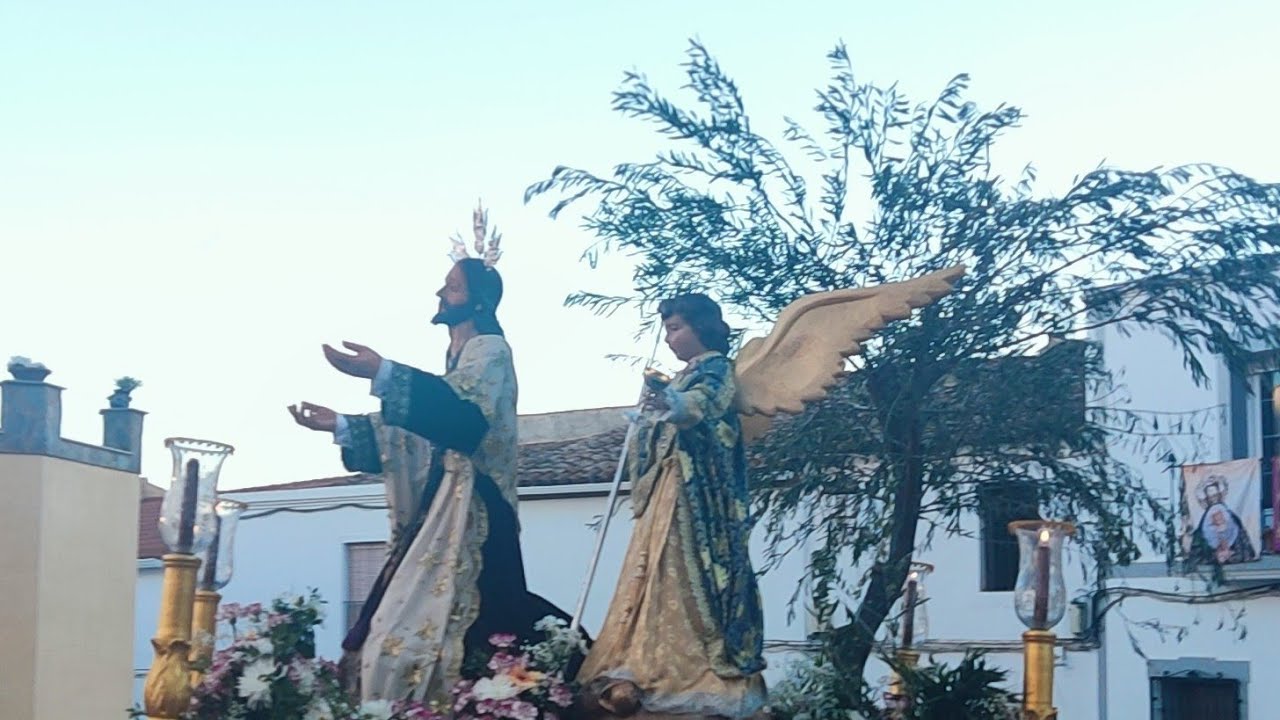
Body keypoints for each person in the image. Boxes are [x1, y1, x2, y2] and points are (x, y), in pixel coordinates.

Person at [290, 238, 578, 704]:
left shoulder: (491, 352)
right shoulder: (461, 359)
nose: (440, 295)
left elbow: (465, 421)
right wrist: (341, 424)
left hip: (475, 509)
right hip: (442, 501)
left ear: (479, 299)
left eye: (452, 288)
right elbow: (425, 429)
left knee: (463, 624)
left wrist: (382, 373)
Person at [578, 293, 767, 719]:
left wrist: (672, 404)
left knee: (686, 569)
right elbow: (663, 424)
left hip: (696, 496)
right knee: (657, 570)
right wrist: (649, 416)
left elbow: (705, 406)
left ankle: (693, 664)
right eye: (666, 330)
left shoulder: (718, 368)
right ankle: (651, 655)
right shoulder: (685, 374)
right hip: (670, 487)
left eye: (676, 328)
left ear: (702, 327)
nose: (669, 338)